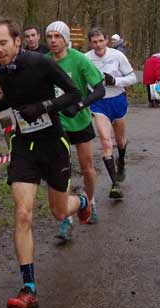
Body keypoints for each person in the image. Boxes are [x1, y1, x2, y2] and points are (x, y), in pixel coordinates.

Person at [0, 18, 92, 308]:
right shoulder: (0, 69)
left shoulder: (39, 63)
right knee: (23, 213)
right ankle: (28, 288)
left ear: (18, 41)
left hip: (53, 145)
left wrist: (43, 107)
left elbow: (74, 94)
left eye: (3, 43)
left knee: (59, 211)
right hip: (23, 146)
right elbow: (16, 95)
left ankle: (81, 201)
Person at [45, 21, 105, 239]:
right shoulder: (44, 62)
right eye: (49, 36)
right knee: (62, 170)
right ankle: (66, 220)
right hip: (56, 123)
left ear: (65, 38)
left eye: (57, 36)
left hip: (79, 121)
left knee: (86, 167)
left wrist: (79, 105)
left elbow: (100, 89)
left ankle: (91, 202)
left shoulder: (79, 59)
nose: (52, 40)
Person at [86, 28, 137, 199]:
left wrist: (115, 81)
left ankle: (121, 160)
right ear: (90, 43)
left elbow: (132, 78)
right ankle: (115, 184)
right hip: (99, 103)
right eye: (94, 42)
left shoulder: (117, 56)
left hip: (117, 100)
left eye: (101, 40)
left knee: (120, 141)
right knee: (106, 142)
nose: (98, 45)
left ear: (106, 40)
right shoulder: (86, 58)